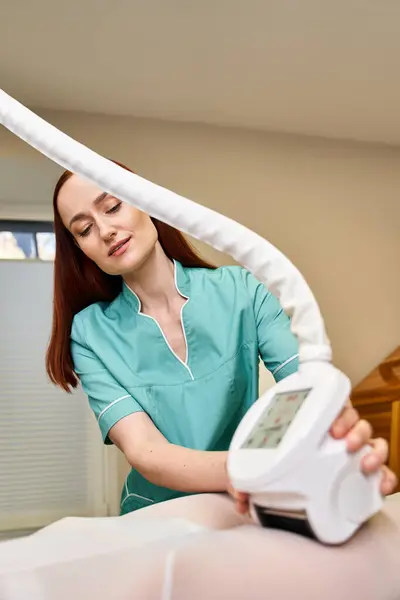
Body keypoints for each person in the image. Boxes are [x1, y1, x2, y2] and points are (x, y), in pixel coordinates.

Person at [46, 162, 397, 516]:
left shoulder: (242, 290)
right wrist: (253, 469)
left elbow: (308, 385)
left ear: (146, 201)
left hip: (247, 502)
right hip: (155, 514)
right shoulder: (89, 334)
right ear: (80, 249)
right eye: (85, 229)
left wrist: (341, 442)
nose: (105, 230)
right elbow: (144, 450)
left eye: (112, 206)